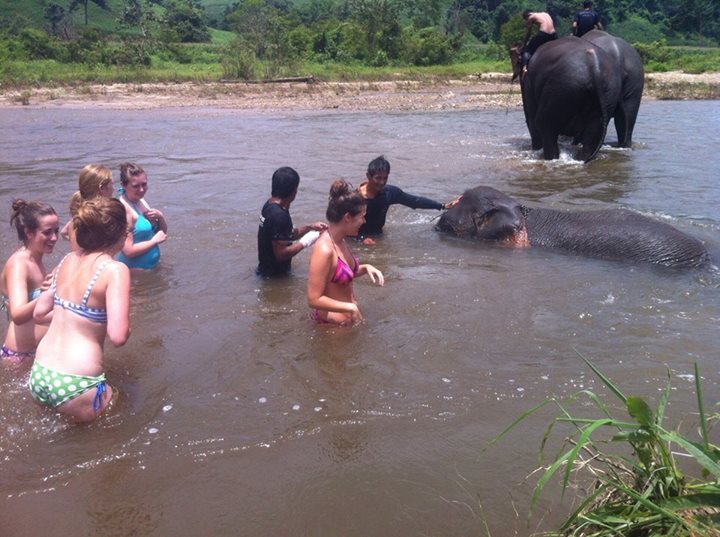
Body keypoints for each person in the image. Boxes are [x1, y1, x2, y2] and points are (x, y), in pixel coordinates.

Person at [31, 197, 131, 422]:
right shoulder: (115, 269)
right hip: (76, 383)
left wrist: (75, 317)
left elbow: (39, 313)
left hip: (40, 372)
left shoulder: (67, 259)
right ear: (118, 232)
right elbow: (118, 336)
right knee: (120, 424)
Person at [307, 180, 384, 326]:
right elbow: (313, 299)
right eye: (361, 216)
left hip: (347, 323)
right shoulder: (324, 250)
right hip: (331, 330)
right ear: (347, 217)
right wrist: (350, 307)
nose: (364, 221)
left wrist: (366, 267)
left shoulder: (340, 241)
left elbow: (341, 276)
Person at [1, 200, 58, 367]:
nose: (54, 237)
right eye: (47, 233)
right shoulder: (19, 264)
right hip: (19, 358)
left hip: (36, 353)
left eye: (56, 230)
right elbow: (18, 315)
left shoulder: (36, 259)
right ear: (29, 233)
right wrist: (49, 292)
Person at [357, 156, 460, 245]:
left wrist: (442, 206)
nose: (382, 182)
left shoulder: (389, 193)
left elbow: (415, 201)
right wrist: (361, 239)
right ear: (368, 176)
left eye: (385, 178)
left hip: (378, 236)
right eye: (378, 178)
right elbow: (344, 226)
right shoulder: (355, 198)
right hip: (355, 239)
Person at [257, 166, 328, 277]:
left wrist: (310, 227)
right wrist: (307, 241)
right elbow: (281, 254)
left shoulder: (270, 205)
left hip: (265, 270)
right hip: (275, 277)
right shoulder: (280, 216)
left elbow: (286, 235)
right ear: (293, 191)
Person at [117, 162, 168, 270]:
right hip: (135, 273)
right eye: (136, 186)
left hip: (151, 269)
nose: (141, 189)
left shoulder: (141, 201)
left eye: (144, 184)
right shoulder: (123, 209)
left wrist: (160, 217)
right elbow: (128, 251)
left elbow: (161, 234)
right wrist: (154, 241)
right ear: (123, 185)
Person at [61, 164, 116, 249]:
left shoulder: (79, 217)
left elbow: (63, 232)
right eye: (112, 184)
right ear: (102, 188)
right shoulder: (102, 218)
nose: (114, 189)